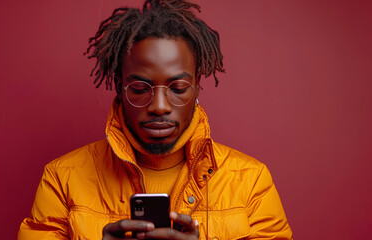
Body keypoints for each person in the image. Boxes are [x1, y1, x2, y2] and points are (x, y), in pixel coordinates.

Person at [18, 0, 293, 239]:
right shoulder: (62, 180)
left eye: (178, 89)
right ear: (118, 86)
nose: (159, 107)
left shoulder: (251, 182)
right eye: (139, 89)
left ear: (197, 85)